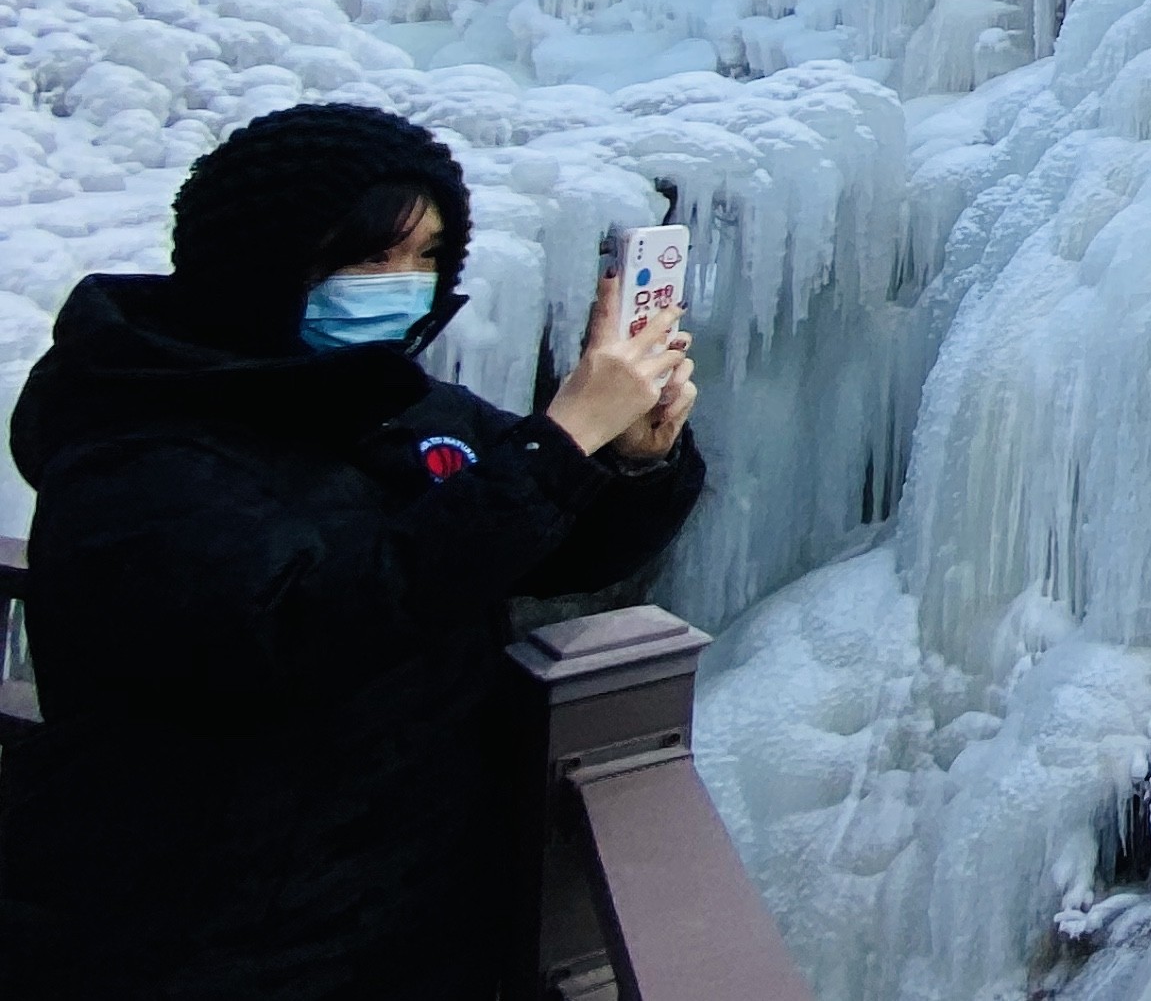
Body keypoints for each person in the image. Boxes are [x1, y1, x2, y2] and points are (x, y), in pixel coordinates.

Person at [0, 102, 705, 1001]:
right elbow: (300, 630)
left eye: (428, 258)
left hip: (396, 916)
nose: (406, 284)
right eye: (373, 257)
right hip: (182, 930)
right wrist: (560, 442)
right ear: (263, 263)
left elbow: (552, 544)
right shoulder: (138, 452)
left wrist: (634, 461)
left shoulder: (399, 406)